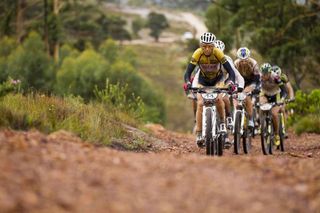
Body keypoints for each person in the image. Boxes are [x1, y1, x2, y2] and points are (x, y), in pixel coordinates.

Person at [183, 32, 236, 147]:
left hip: (218, 79)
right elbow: (188, 72)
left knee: (218, 99)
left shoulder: (218, 53)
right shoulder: (197, 53)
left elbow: (231, 71)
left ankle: (222, 123)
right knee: (201, 103)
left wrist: (231, 82)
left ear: (213, 46)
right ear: (201, 45)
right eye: (204, 46)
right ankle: (199, 133)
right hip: (203, 80)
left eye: (210, 46)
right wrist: (188, 82)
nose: (207, 49)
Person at [260, 65, 288, 146]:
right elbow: (256, 87)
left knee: (274, 114)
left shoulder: (275, 77)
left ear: (269, 73)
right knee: (261, 103)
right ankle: (261, 124)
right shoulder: (260, 77)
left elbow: (284, 90)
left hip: (276, 95)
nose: (264, 76)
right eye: (263, 74)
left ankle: (276, 134)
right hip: (265, 94)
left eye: (266, 74)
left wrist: (282, 99)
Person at [234, 47, 260, 129]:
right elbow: (233, 76)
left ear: (248, 58)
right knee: (235, 95)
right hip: (240, 81)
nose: (244, 62)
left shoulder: (254, 63)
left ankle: (251, 118)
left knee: (247, 96)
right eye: (242, 60)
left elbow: (256, 78)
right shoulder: (235, 63)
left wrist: (253, 87)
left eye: (245, 60)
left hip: (251, 81)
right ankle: (236, 112)